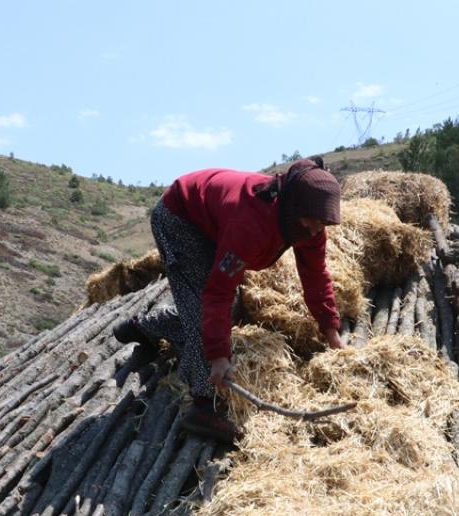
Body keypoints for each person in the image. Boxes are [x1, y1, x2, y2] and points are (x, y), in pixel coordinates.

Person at [115, 157, 345, 444]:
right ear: (294, 206)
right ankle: (203, 405)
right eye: (313, 221)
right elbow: (217, 292)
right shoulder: (252, 222)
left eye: (323, 223)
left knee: (231, 310)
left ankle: (145, 327)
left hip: (214, 220)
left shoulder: (310, 223)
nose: (315, 229)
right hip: (180, 217)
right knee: (202, 308)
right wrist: (219, 358)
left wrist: (331, 331)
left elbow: (315, 275)